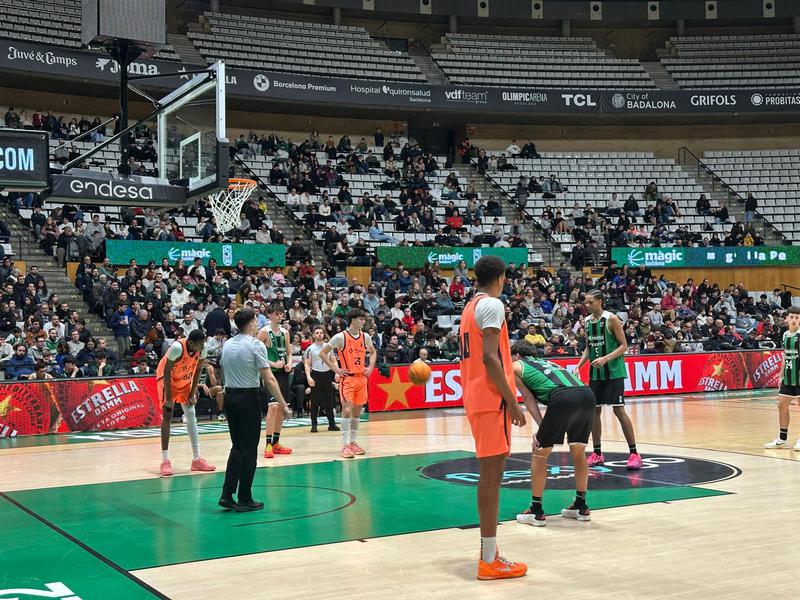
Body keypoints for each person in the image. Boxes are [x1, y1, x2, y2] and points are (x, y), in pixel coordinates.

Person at [458, 255, 527, 581]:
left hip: (475, 396)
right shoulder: (493, 306)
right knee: (492, 477)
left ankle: (490, 553)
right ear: (501, 277)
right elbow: (489, 356)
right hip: (491, 398)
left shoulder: (470, 307)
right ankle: (488, 558)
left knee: (491, 475)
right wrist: (512, 401)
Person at [510, 341, 596, 527]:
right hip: (587, 394)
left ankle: (536, 510)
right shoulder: (549, 363)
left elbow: (527, 397)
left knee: (539, 453)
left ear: (516, 355)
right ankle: (581, 506)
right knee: (578, 452)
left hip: (563, 397)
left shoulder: (514, 366)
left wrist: (542, 428)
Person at [219, 308, 291, 512]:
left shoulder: (228, 344)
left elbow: (224, 371)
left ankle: (226, 493)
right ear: (251, 323)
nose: (257, 323)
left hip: (230, 397)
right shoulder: (256, 345)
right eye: (255, 321)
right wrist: (283, 403)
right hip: (247, 398)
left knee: (237, 447)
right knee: (249, 450)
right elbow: (269, 378)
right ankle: (244, 498)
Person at [573, 290, 642, 470]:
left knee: (618, 411)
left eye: (590, 303)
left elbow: (624, 346)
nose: (587, 306)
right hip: (596, 374)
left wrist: (606, 358)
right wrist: (579, 365)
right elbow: (589, 348)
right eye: (585, 303)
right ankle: (597, 453)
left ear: (600, 301)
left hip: (614, 371)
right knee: (594, 411)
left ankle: (634, 453)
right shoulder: (587, 321)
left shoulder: (611, 319)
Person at [157, 329, 216, 477]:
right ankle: (165, 461)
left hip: (184, 378)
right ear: (190, 342)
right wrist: (169, 398)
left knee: (190, 412)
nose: (203, 346)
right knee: (168, 414)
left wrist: (191, 393)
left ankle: (196, 459)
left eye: (204, 343)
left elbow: (197, 371)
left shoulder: (202, 348)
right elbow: (166, 372)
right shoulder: (177, 348)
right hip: (166, 379)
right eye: (200, 344)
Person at [320, 308, 376, 459]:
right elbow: (323, 353)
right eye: (361, 319)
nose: (363, 322)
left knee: (357, 413)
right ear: (353, 320)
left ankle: (353, 443)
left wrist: (370, 367)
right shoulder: (340, 337)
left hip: (361, 378)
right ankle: (345, 445)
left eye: (364, 319)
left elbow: (373, 352)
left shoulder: (365, 337)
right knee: (346, 411)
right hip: (348, 379)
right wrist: (336, 369)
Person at [257, 301, 293, 458]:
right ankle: (268, 445)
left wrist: (290, 364)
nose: (280, 316)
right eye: (277, 313)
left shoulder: (285, 332)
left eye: (281, 313)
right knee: (272, 407)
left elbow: (289, 352)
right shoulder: (263, 332)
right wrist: (273, 363)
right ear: (269, 315)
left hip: (283, 374)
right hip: (270, 374)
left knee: (280, 408)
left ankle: (276, 442)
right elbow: (257, 354)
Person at [764, 307, 800, 449]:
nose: (794, 320)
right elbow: (785, 356)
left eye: (797, 317)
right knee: (781, 405)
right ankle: (782, 438)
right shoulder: (785, 335)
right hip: (788, 375)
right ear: (786, 318)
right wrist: (780, 375)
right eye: (791, 317)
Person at [304, 325, 339, 433]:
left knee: (329, 401)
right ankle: (314, 425)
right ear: (314, 335)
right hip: (316, 375)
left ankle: (332, 424)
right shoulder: (310, 349)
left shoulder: (328, 347)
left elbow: (333, 360)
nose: (319, 334)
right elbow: (307, 364)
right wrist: (309, 377)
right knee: (315, 401)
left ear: (324, 334)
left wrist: (337, 372)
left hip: (327, 375)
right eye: (317, 333)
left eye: (321, 333)